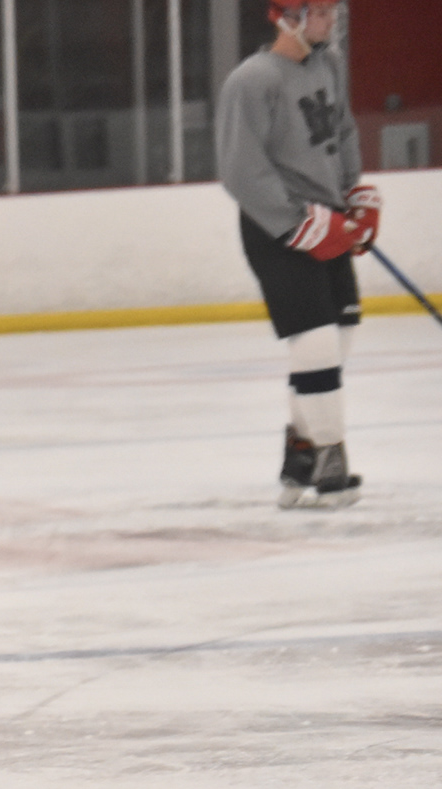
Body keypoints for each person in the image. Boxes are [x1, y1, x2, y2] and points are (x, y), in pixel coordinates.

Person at [217, 0, 376, 508]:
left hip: (329, 218)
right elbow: (240, 170)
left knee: (340, 336)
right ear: (288, 17)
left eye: (332, 11)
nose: (331, 21)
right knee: (316, 341)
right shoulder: (252, 80)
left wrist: (354, 195)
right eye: (321, 12)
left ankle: (301, 452)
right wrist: (295, 222)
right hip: (277, 229)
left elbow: (342, 132)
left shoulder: (329, 65)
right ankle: (330, 455)